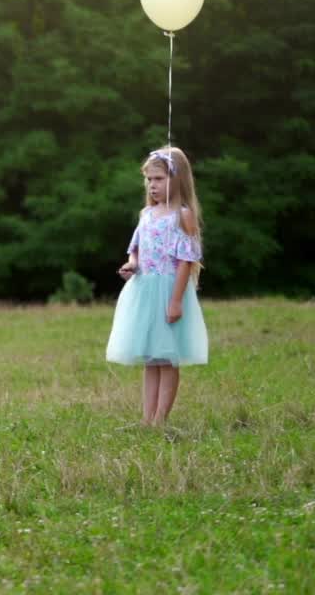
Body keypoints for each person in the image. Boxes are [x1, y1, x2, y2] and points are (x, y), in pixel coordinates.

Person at [106, 146, 209, 426]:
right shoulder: (147, 215)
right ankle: (146, 418)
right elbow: (136, 250)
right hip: (144, 291)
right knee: (151, 359)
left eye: (159, 179)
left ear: (176, 179)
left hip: (169, 291)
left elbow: (185, 261)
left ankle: (161, 419)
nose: (152, 185)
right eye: (149, 180)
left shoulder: (182, 215)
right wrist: (132, 264)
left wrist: (175, 301)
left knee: (167, 358)